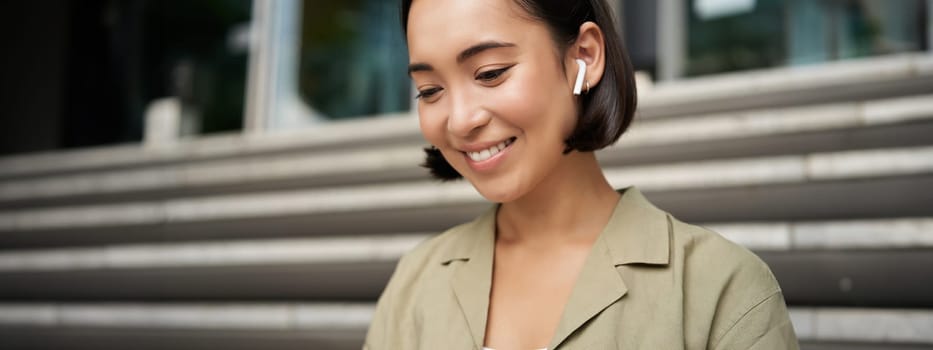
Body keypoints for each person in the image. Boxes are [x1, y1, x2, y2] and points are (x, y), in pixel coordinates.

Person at [364, 0, 799, 349]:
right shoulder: (416, 283)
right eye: (430, 91)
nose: (459, 121)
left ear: (584, 57)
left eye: (490, 73)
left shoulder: (721, 288)